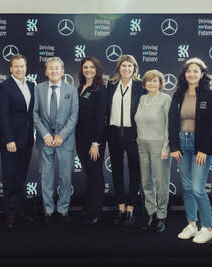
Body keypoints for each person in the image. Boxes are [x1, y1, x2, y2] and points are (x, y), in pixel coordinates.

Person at [168, 57, 212, 244]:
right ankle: (192, 224)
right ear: (184, 74)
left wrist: (203, 149)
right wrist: (173, 146)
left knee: (198, 188)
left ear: (202, 74)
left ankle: (207, 228)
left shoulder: (209, 95)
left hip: (201, 147)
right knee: (187, 188)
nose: (191, 74)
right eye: (188, 71)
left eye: (196, 71)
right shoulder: (178, 94)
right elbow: (173, 122)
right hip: (182, 144)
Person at [33, 57, 78, 224]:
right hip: (45, 140)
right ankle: (48, 210)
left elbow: (74, 116)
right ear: (46, 71)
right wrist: (45, 135)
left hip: (65, 140)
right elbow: (35, 114)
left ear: (63, 71)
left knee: (65, 177)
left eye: (57, 68)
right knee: (46, 176)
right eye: (50, 68)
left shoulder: (71, 90)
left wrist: (61, 135)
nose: (54, 71)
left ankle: (63, 209)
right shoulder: (38, 89)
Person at [106, 54, 146, 226]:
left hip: (133, 134)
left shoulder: (140, 85)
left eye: (130, 66)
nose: (127, 69)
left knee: (134, 170)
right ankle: (121, 207)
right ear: (118, 68)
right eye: (124, 66)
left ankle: (131, 208)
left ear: (135, 69)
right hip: (114, 133)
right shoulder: (111, 85)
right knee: (116, 170)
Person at [0, 54, 35, 228]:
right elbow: (3, 116)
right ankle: (9, 213)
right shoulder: (4, 87)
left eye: (22, 66)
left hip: (26, 139)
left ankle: (20, 210)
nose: (20, 69)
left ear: (26, 68)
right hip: (10, 141)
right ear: (10, 69)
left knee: (21, 177)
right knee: (10, 177)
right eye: (16, 66)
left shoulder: (32, 86)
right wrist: (8, 139)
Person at [134, 70, 171, 232]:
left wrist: (166, 147)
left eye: (155, 81)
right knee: (146, 181)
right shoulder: (142, 99)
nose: (152, 84)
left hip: (159, 145)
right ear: (144, 83)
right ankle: (151, 213)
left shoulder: (165, 99)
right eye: (149, 81)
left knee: (160, 182)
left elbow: (170, 125)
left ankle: (161, 216)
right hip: (142, 144)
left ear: (161, 83)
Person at [75, 57, 107, 225]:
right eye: (85, 67)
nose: (88, 70)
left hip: (94, 140)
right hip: (80, 138)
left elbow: (101, 118)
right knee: (89, 173)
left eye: (91, 67)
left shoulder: (100, 89)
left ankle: (96, 211)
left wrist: (96, 143)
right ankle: (89, 207)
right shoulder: (81, 87)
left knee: (95, 174)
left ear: (97, 70)